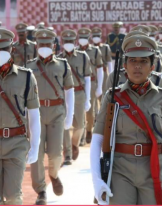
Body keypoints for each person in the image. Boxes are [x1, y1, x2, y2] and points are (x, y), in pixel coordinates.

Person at [90, 34, 162, 205]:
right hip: (120, 170)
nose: (137, 66)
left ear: (152, 66)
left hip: (154, 168)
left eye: (144, 61)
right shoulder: (112, 97)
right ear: (124, 65)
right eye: (132, 61)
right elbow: (97, 140)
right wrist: (97, 181)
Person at [0, 28, 41, 205]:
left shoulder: (26, 77)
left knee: (13, 195)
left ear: (11, 49)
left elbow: (34, 113)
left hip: (16, 143)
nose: (0, 53)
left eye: (4, 49)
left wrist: (35, 145)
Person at [26, 29, 75, 205]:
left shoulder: (62, 65)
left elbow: (69, 91)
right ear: (36, 46)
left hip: (56, 113)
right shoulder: (29, 67)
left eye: (48, 44)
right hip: (35, 115)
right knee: (36, 155)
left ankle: (53, 175)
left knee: (55, 153)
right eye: (41, 44)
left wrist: (70, 116)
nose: (44, 47)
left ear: (54, 46)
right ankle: (41, 191)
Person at [58, 29, 92, 165]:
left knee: (79, 125)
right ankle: (67, 153)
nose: (68, 44)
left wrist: (88, 98)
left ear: (74, 42)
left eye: (70, 41)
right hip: (63, 93)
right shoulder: (59, 58)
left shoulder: (83, 57)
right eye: (66, 41)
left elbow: (88, 78)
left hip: (79, 93)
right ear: (62, 42)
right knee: (64, 124)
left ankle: (74, 144)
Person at [77, 28, 103, 145]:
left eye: (84, 38)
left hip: (91, 83)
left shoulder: (95, 51)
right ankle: (81, 135)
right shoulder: (75, 52)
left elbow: (100, 69)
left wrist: (99, 87)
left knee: (90, 111)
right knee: (80, 110)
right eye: (80, 38)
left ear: (88, 39)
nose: (82, 40)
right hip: (78, 83)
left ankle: (89, 130)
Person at [91, 27, 113, 101]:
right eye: (94, 36)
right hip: (92, 73)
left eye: (97, 36)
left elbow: (109, 63)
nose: (95, 38)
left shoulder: (105, 47)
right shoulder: (90, 49)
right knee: (93, 94)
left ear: (100, 37)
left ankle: (102, 111)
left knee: (103, 93)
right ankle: (95, 112)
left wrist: (111, 76)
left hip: (103, 73)